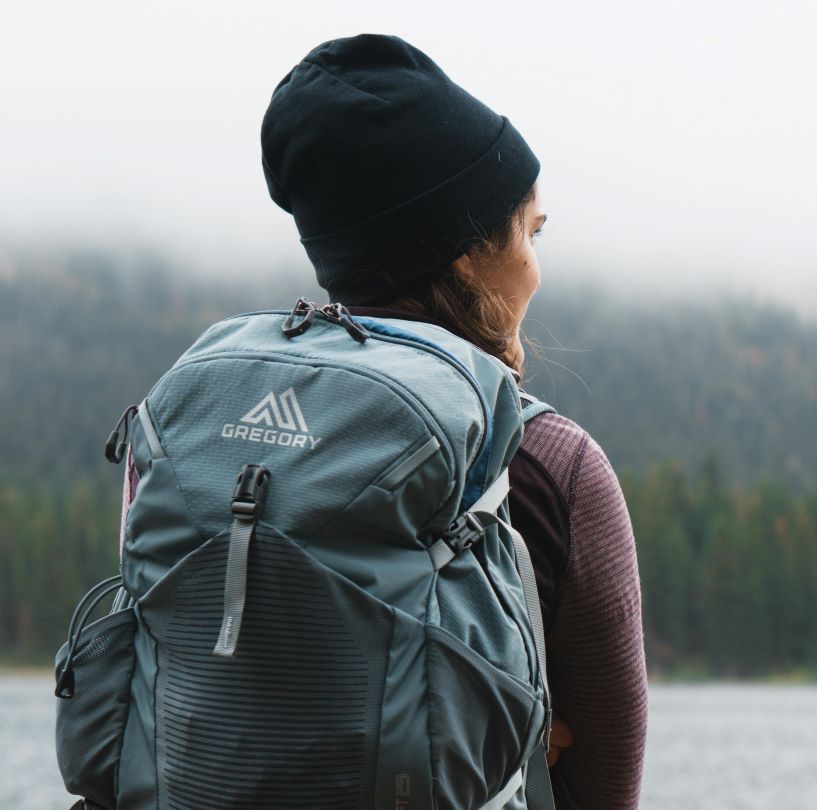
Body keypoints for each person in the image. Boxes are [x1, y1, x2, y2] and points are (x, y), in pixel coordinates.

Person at [127, 32, 648, 808]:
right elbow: (602, 786)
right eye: (531, 231)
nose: (538, 264)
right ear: (470, 254)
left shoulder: (194, 425)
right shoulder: (545, 462)